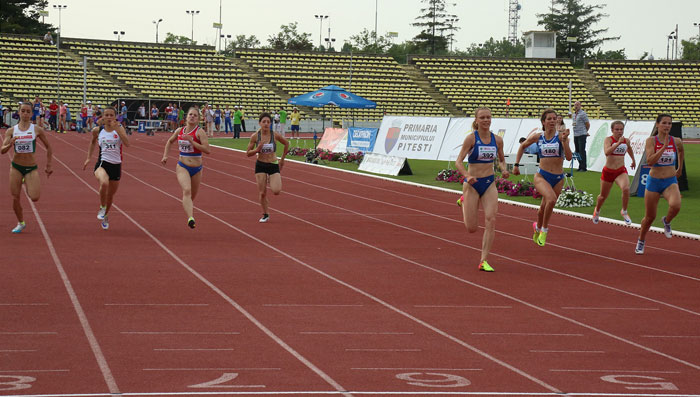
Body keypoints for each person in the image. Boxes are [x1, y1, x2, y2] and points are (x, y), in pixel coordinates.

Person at [454, 107, 509, 272]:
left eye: (489, 117)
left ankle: (483, 260)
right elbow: (458, 161)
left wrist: (504, 169)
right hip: (472, 185)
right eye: (483, 117)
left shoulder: (497, 140)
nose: (486, 120)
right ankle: (463, 201)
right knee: (472, 228)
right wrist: (466, 176)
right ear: (476, 120)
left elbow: (501, 160)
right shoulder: (471, 139)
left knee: (491, 219)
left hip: (489, 184)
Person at [514, 109, 572, 247]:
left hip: (558, 177)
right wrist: (516, 165)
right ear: (543, 122)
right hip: (542, 176)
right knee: (551, 200)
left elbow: (569, 157)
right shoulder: (537, 137)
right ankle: (544, 230)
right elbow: (522, 146)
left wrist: (565, 142)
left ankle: (537, 227)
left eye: (554, 119)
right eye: (549, 119)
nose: (552, 121)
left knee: (543, 209)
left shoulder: (561, 137)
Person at [635, 114, 684, 254]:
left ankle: (667, 221)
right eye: (664, 123)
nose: (667, 126)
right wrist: (662, 148)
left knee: (676, 205)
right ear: (657, 125)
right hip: (654, 181)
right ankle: (641, 240)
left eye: (669, 123)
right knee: (650, 217)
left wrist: (679, 168)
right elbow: (650, 161)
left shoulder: (676, 141)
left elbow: (681, 151)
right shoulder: (651, 141)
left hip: (670, 180)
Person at [1, 102, 53, 233]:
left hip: (31, 167)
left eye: (27, 112)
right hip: (16, 167)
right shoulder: (11, 131)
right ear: (18, 112)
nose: (25, 114)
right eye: (22, 111)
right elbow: (2, 150)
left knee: (34, 197)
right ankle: (21, 222)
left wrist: (49, 165)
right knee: (15, 197)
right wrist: (9, 145)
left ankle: (27, 180)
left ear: (31, 114)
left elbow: (49, 147)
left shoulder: (36, 129)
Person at [161, 106, 211, 228]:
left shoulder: (200, 132)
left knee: (191, 196)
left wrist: (192, 141)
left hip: (197, 169)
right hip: (182, 165)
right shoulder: (179, 131)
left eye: (195, 115)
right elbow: (169, 142)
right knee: (187, 190)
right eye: (190, 114)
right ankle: (191, 218)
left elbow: (207, 150)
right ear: (186, 117)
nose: (192, 116)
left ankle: (187, 207)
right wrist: (165, 156)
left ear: (198, 119)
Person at [82, 107, 130, 230]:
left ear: (115, 117)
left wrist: (118, 130)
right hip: (102, 164)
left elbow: (127, 143)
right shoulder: (97, 130)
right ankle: (102, 207)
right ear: (103, 117)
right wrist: (88, 158)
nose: (109, 117)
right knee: (104, 183)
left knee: (110, 195)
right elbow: (92, 142)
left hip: (116, 165)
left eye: (111, 115)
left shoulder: (119, 129)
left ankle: (106, 214)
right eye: (106, 115)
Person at [246, 112, 289, 223]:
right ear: (259, 123)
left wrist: (282, 160)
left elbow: (286, 143)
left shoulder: (275, 135)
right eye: (264, 122)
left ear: (270, 124)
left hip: (273, 164)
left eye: (268, 122)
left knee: (276, 191)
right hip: (260, 164)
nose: (266, 124)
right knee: (262, 192)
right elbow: (248, 153)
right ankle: (265, 214)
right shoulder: (255, 136)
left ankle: (271, 177)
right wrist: (257, 149)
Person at [592, 121, 636, 225]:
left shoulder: (626, 140)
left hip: (620, 171)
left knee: (626, 189)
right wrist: (618, 143)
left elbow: (629, 148)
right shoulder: (608, 140)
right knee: (603, 196)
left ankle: (624, 211)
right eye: (617, 129)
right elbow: (607, 152)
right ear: (612, 130)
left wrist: (633, 160)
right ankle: (597, 210)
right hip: (608, 171)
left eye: (621, 129)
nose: (619, 132)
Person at [571, 101, 590, 172]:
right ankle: (580, 166)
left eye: (577, 105)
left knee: (582, 150)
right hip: (575, 134)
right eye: (575, 105)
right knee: (577, 151)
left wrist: (585, 131)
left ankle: (583, 167)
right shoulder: (574, 114)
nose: (576, 106)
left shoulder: (583, 114)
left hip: (582, 134)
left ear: (580, 106)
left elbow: (587, 123)